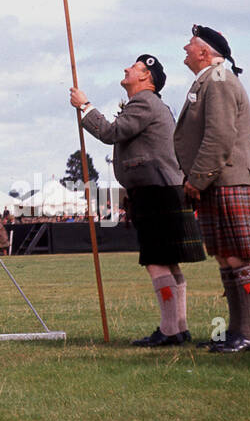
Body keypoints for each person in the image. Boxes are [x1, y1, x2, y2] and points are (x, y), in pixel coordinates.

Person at [72, 53, 206, 345]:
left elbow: (111, 132)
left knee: (156, 260)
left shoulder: (144, 102)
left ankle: (171, 331)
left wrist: (85, 106)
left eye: (133, 67)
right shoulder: (149, 104)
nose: (126, 69)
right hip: (162, 188)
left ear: (146, 76)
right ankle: (178, 328)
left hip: (155, 191)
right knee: (168, 261)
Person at [174, 25, 250, 354]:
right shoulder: (210, 80)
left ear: (204, 52)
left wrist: (196, 179)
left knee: (237, 256)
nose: (185, 47)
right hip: (220, 180)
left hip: (228, 179)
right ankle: (238, 331)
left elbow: (219, 137)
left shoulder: (220, 81)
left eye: (190, 44)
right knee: (226, 258)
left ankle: (249, 333)